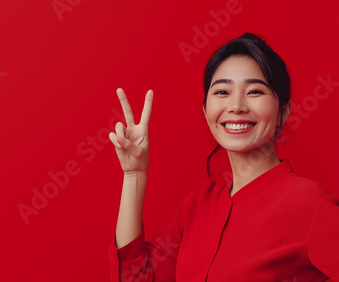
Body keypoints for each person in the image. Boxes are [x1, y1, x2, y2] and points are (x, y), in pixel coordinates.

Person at [107, 32, 339, 281]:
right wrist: (134, 174)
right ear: (206, 111)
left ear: (284, 111)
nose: (236, 106)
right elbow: (137, 276)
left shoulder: (311, 204)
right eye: (222, 92)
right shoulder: (198, 204)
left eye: (254, 92)